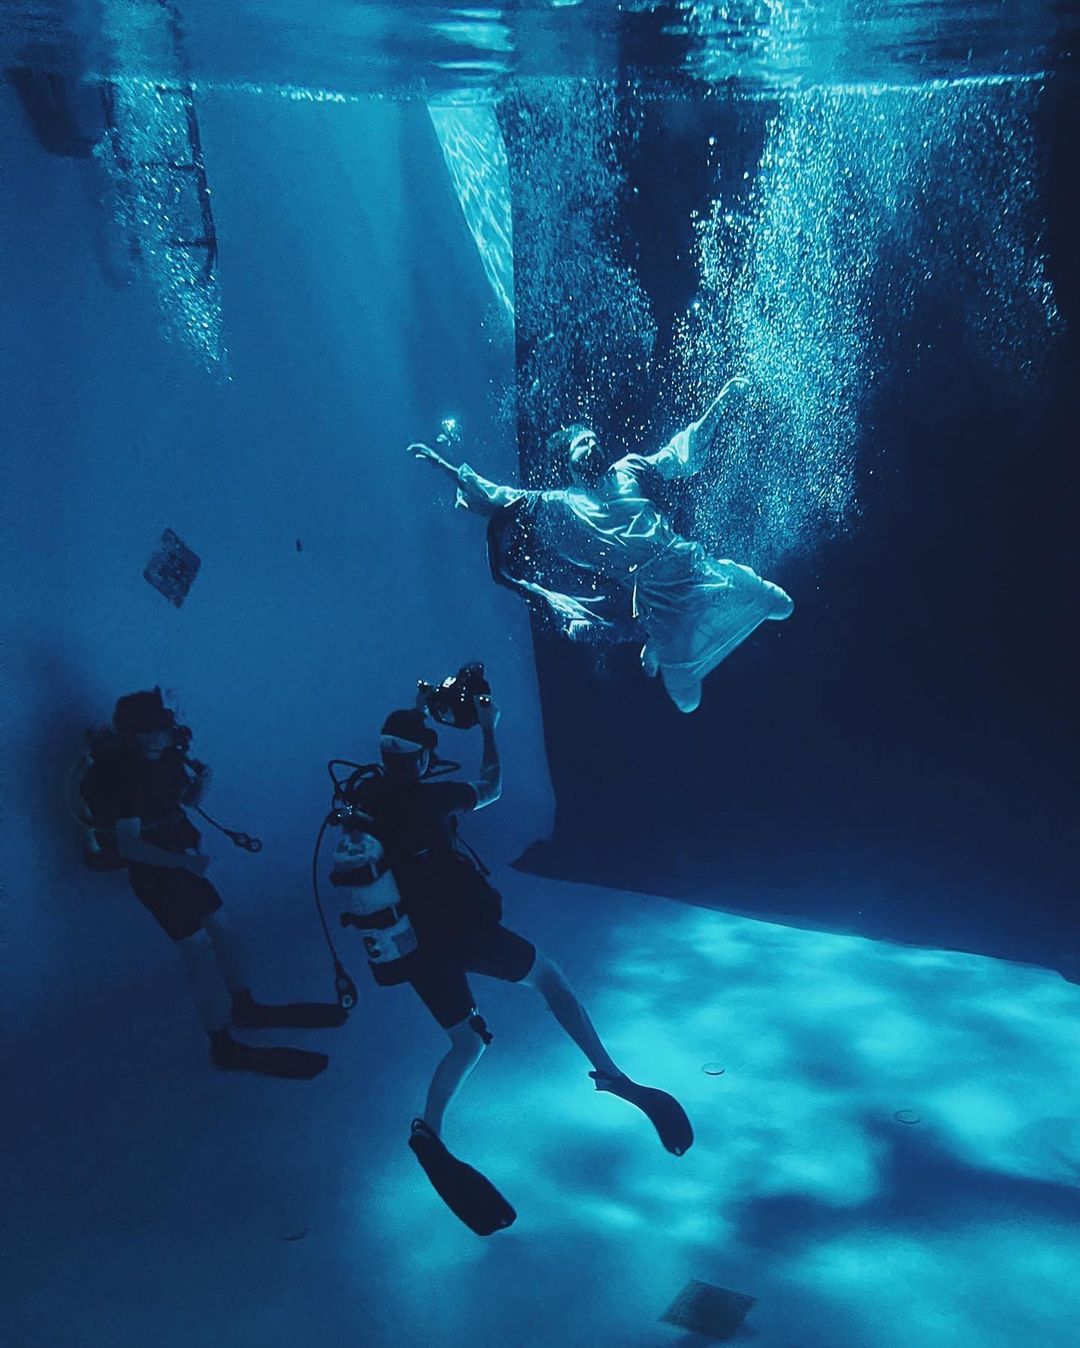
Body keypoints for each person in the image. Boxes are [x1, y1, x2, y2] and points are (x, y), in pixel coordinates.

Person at [342, 696, 693, 1235]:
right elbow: (492, 785)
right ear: (423, 757)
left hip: (409, 945)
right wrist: (487, 728)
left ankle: (429, 1130)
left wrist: (419, 712)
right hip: (463, 934)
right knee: (550, 978)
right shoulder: (436, 798)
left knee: (467, 1042)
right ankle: (611, 1075)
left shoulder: (364, 797)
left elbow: (402, 766)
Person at [409, 377, 794, 713]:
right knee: (687, 701)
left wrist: (721, 400)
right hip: (653, 595)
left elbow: (680, 451)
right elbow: (498, 496)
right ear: (568, 461)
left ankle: (670, 633)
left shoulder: (628, 468)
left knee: (780, 604)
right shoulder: (558, 505)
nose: (593, 445)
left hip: (691, 564)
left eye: (595, 439)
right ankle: (658, 642)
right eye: (583, 443)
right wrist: (444, 467)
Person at [79, 688, 346, 1079]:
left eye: (165, 728)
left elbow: (184, 800)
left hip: (182, 864)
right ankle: (221, 1042)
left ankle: (245, 1006)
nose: (167, 735)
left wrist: (202, 783)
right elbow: (130, 845)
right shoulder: (123, 776)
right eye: (158, 729)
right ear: (139, 735)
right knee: (199, 952)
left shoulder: (166, 759)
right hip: (157, 876)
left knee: (225, 932)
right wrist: (183, 861)